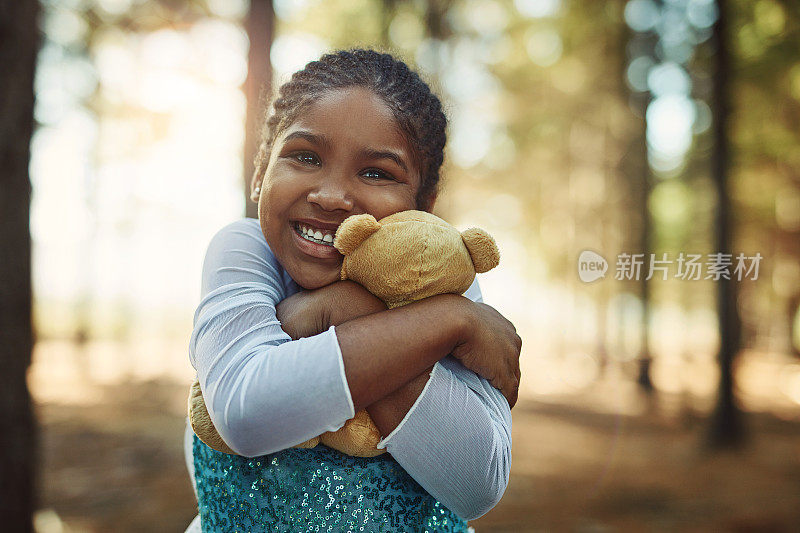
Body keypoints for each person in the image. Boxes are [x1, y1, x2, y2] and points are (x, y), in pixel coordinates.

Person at [184, 48, 522, 532]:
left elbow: (476, 484)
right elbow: (246, 413)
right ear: (261, 170)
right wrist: (444, 324)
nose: (331, 196)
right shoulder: (245, 250)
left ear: (424, 202)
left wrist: (333, 317)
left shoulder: (445, 283)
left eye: (376, 172)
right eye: (305, 157)